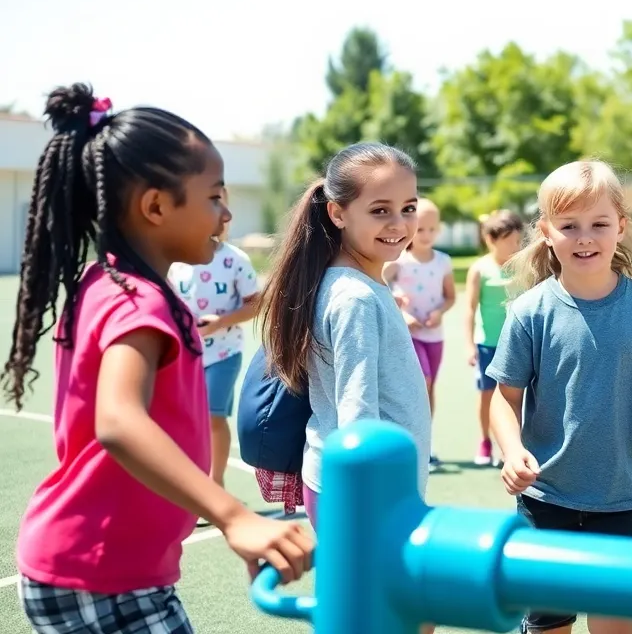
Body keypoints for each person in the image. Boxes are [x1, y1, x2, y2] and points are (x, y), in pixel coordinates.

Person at [5, 84, 311, 634]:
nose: (225, 212)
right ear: (155, 206)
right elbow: (118, 422)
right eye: (213, 197)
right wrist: (233, 514)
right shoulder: (135, 302)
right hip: (99, 573)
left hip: (114, 570)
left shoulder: (120, 286)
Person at [487, 160, 632, 634]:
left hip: (620, 500)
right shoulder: (530, 311)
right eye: (569, 226)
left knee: (614, 625)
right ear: (545, 232)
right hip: (545, 498)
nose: (585, 238)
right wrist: (513, 449)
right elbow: (505, 397)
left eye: (599, 224)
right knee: (549, 622)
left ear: (621, 227)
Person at [260, 142, 432, 528]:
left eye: (409, 208)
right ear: (338, 213)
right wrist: (369, 498)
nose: (400, 225)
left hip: (367, 486)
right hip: (366, 492)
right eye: (380, 211)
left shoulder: (354, 285)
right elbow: (357, 416)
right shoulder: (355, 297)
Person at [169, 187, 261, 491]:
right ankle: (188, 484)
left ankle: (214, 484)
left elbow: (255, 304)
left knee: (212, 417)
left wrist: (221, 321)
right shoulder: (176, 259)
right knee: (184, 421)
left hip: (224, 354)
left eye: (221, 205)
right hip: (183, 354)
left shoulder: (235, 259)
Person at [385, 197, 455, 472]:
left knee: (429, 389)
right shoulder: (399, 261)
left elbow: (450, 297)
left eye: (432, 229)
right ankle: (409, 444)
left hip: (434, 336)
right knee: (421, 382)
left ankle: (425, 444)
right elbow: (380, 287)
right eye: (420, 229)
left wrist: (440, 312)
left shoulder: (443, 261)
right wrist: (402, 312)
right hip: (408, 336)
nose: (426, 235)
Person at [463, 209, 524, 467]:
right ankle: (485, 441)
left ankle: (509, 446)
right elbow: (470, 308)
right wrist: (469, 345)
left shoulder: (523, 266)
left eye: (519, 241)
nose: (516, 246)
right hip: (488, 344)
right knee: (488, 395)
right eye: (510, 241)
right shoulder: (480, 269)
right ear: (491, 240)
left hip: (519, 345)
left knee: (518, 397)